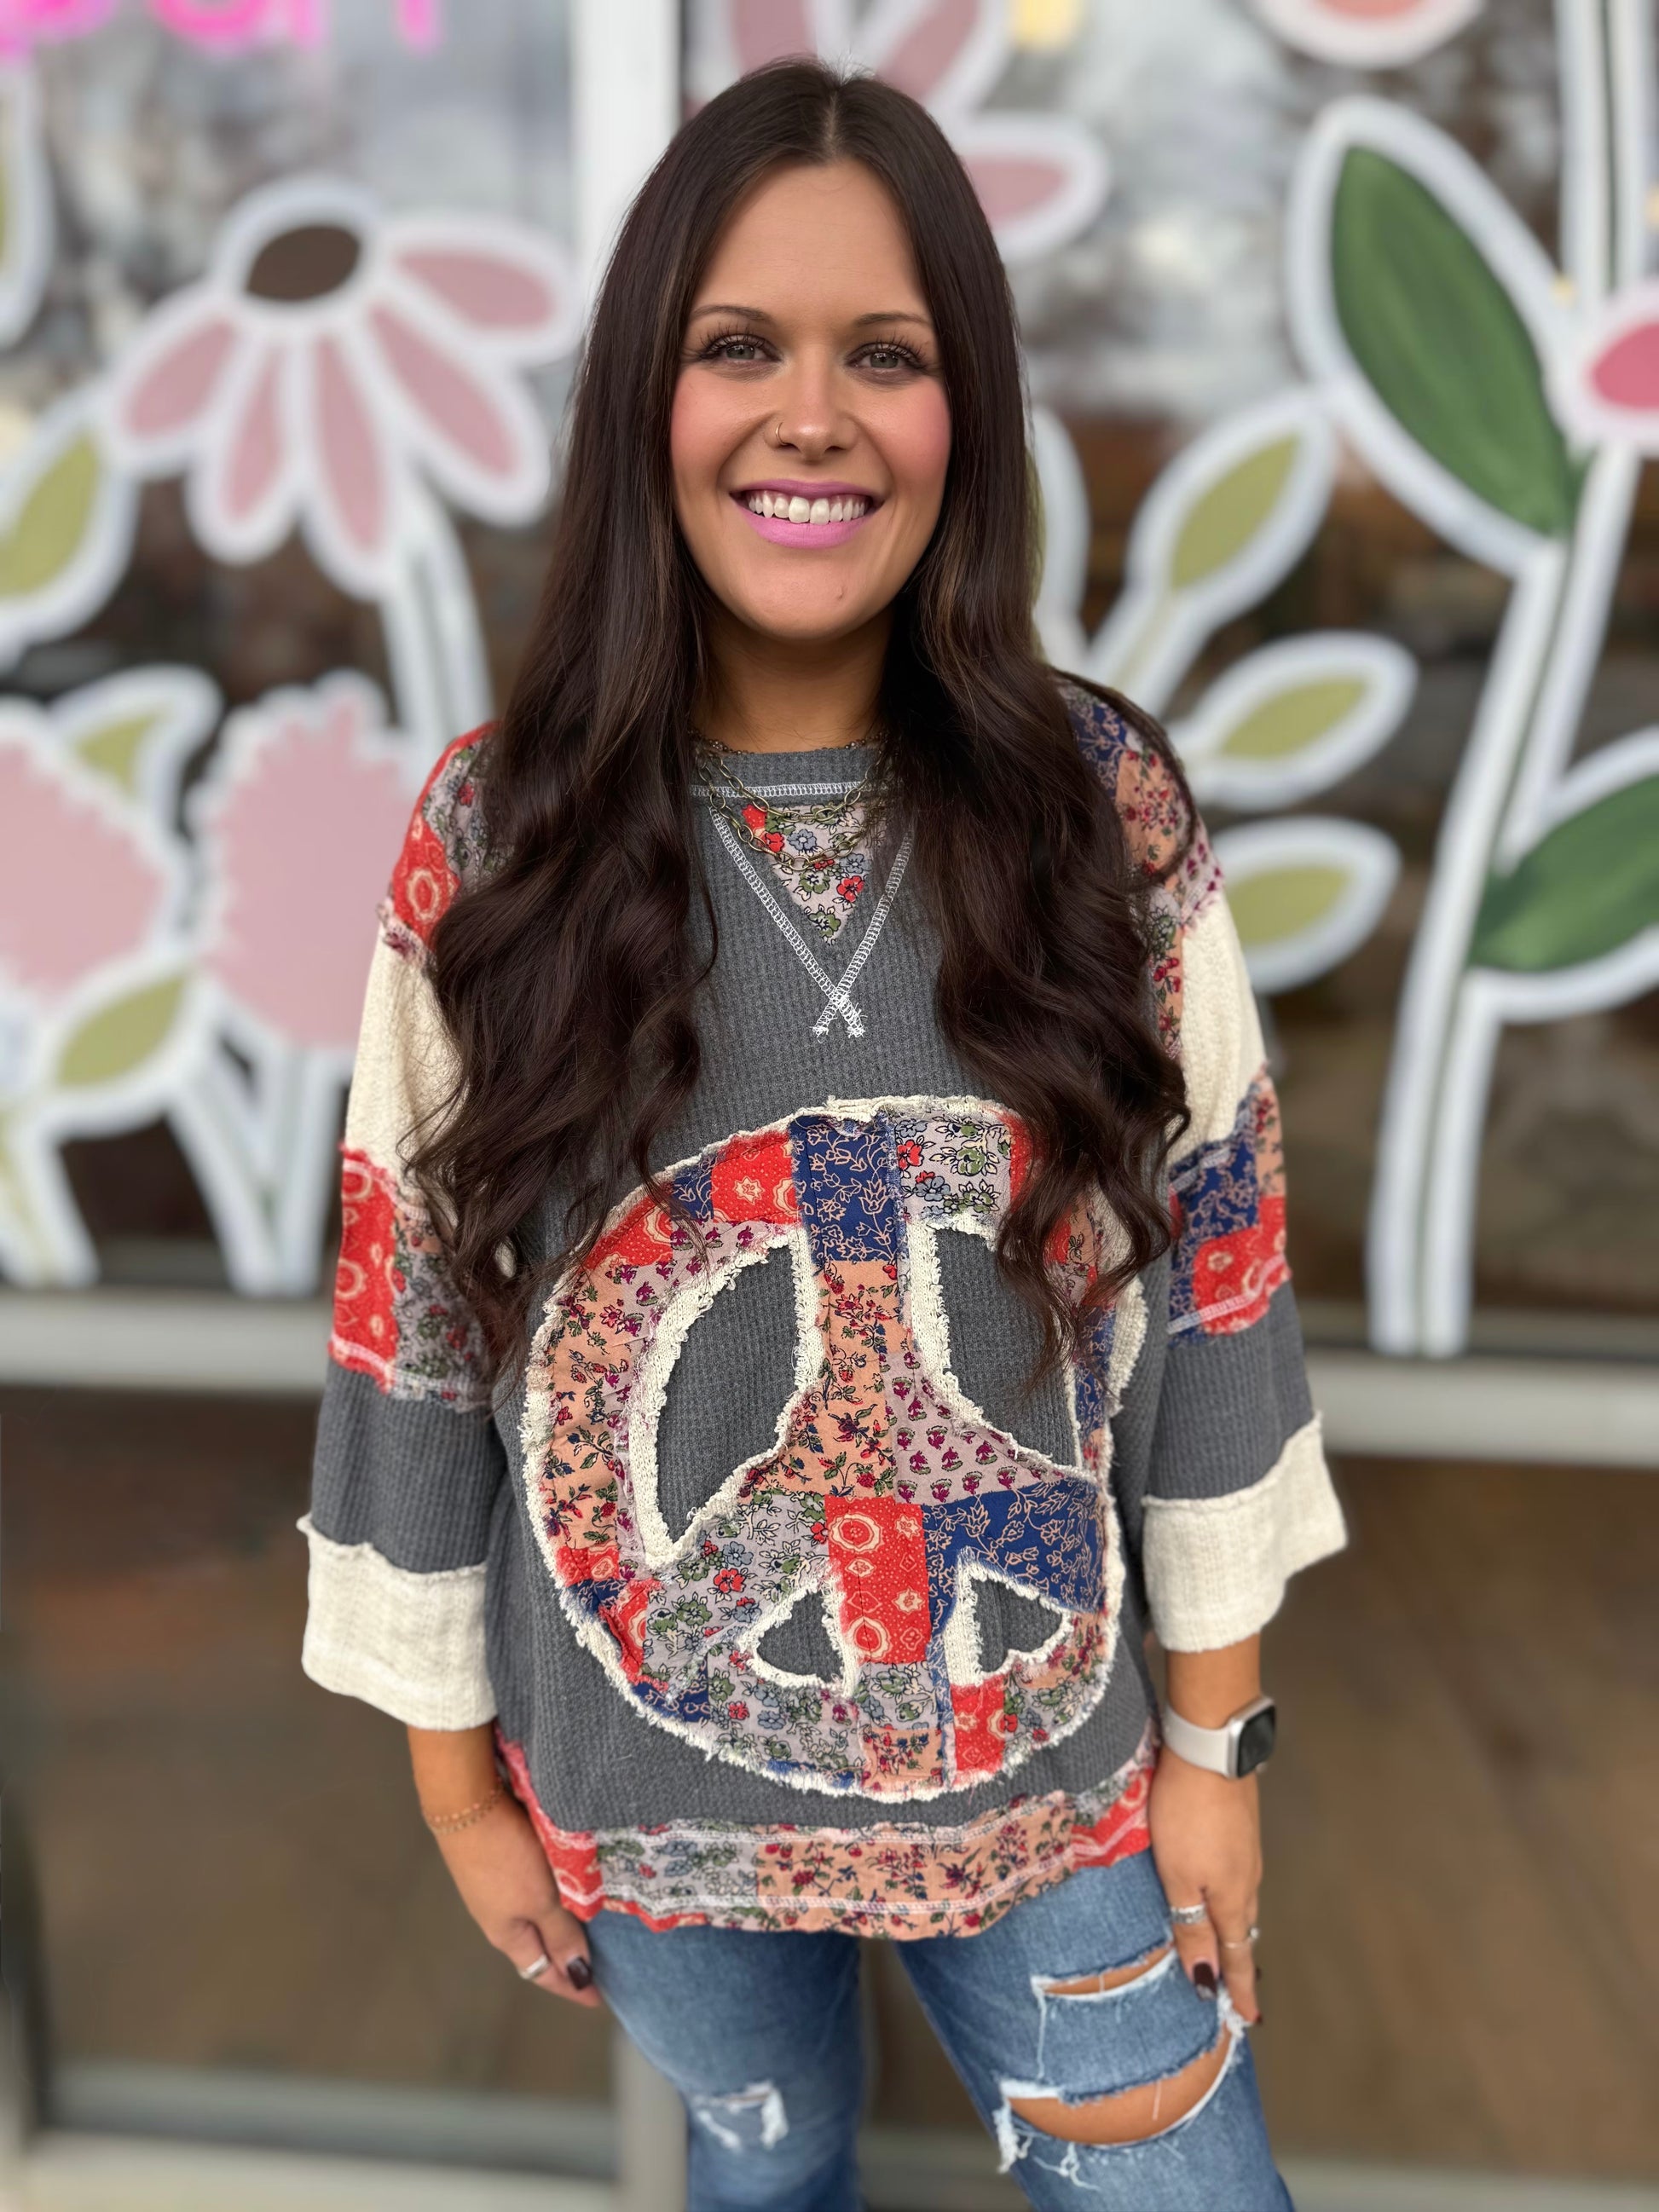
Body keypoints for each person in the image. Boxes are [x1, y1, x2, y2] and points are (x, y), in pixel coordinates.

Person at [299, 58, 1346, 2212]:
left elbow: (1219, 1292)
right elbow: (412, 1327)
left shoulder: (1100, 814)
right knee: (769, 2176)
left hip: (1052, 1801)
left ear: (967, 413)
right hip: (642, 1792)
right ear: (642, 401)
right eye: (736, 347)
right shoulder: (498, 840)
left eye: (885, 353)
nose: (811, 416)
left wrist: (1215, 1749)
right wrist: (455, 1789)